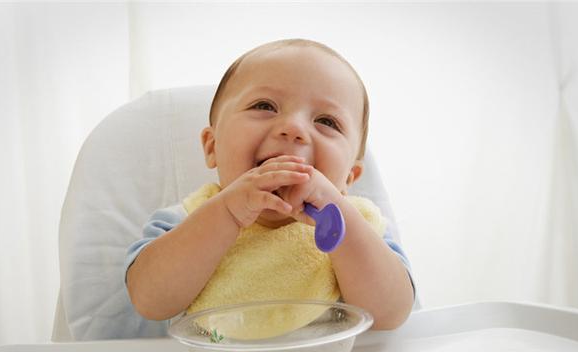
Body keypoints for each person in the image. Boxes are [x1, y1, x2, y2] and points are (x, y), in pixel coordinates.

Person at [125, 39, 415, 330]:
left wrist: (339, 219)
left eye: (327, 121)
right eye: (265, 106)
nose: (294, 129)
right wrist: (227, 212)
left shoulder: (359, 228)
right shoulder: (184, 220)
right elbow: (150, 302)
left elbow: (389, 316)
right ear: (212, 147)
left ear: (348, 178)